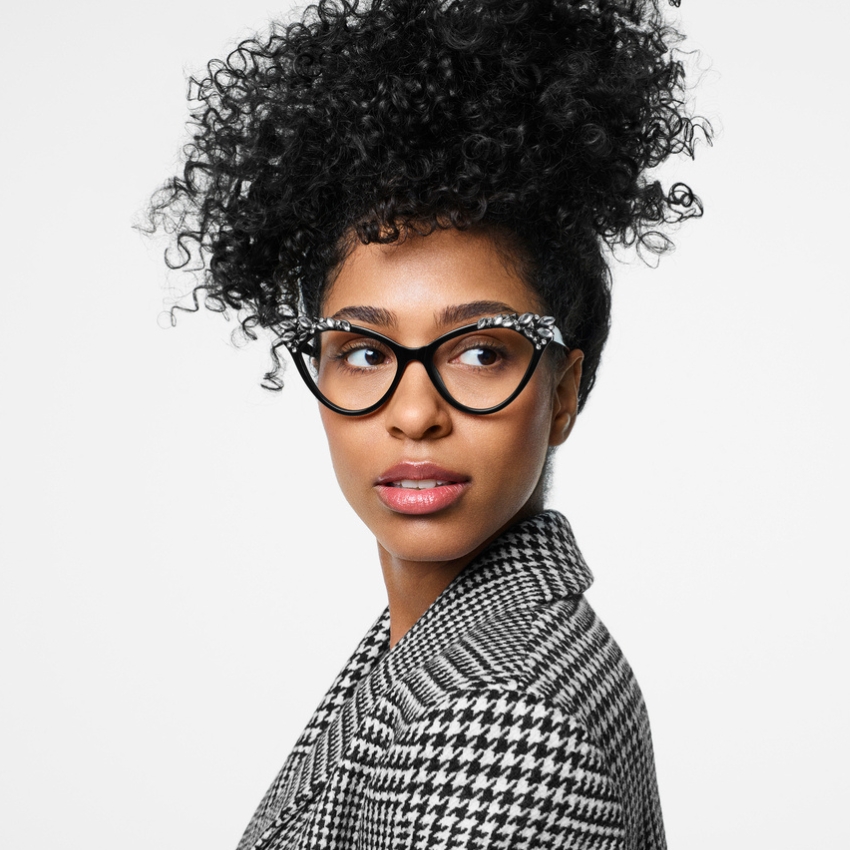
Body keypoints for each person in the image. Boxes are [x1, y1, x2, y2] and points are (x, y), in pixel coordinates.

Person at [147, 0, 708, 847]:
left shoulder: (504, 717)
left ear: (561, 393)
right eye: (365, 352)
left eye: (480, 351)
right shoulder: (444, 646)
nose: (414, 414)